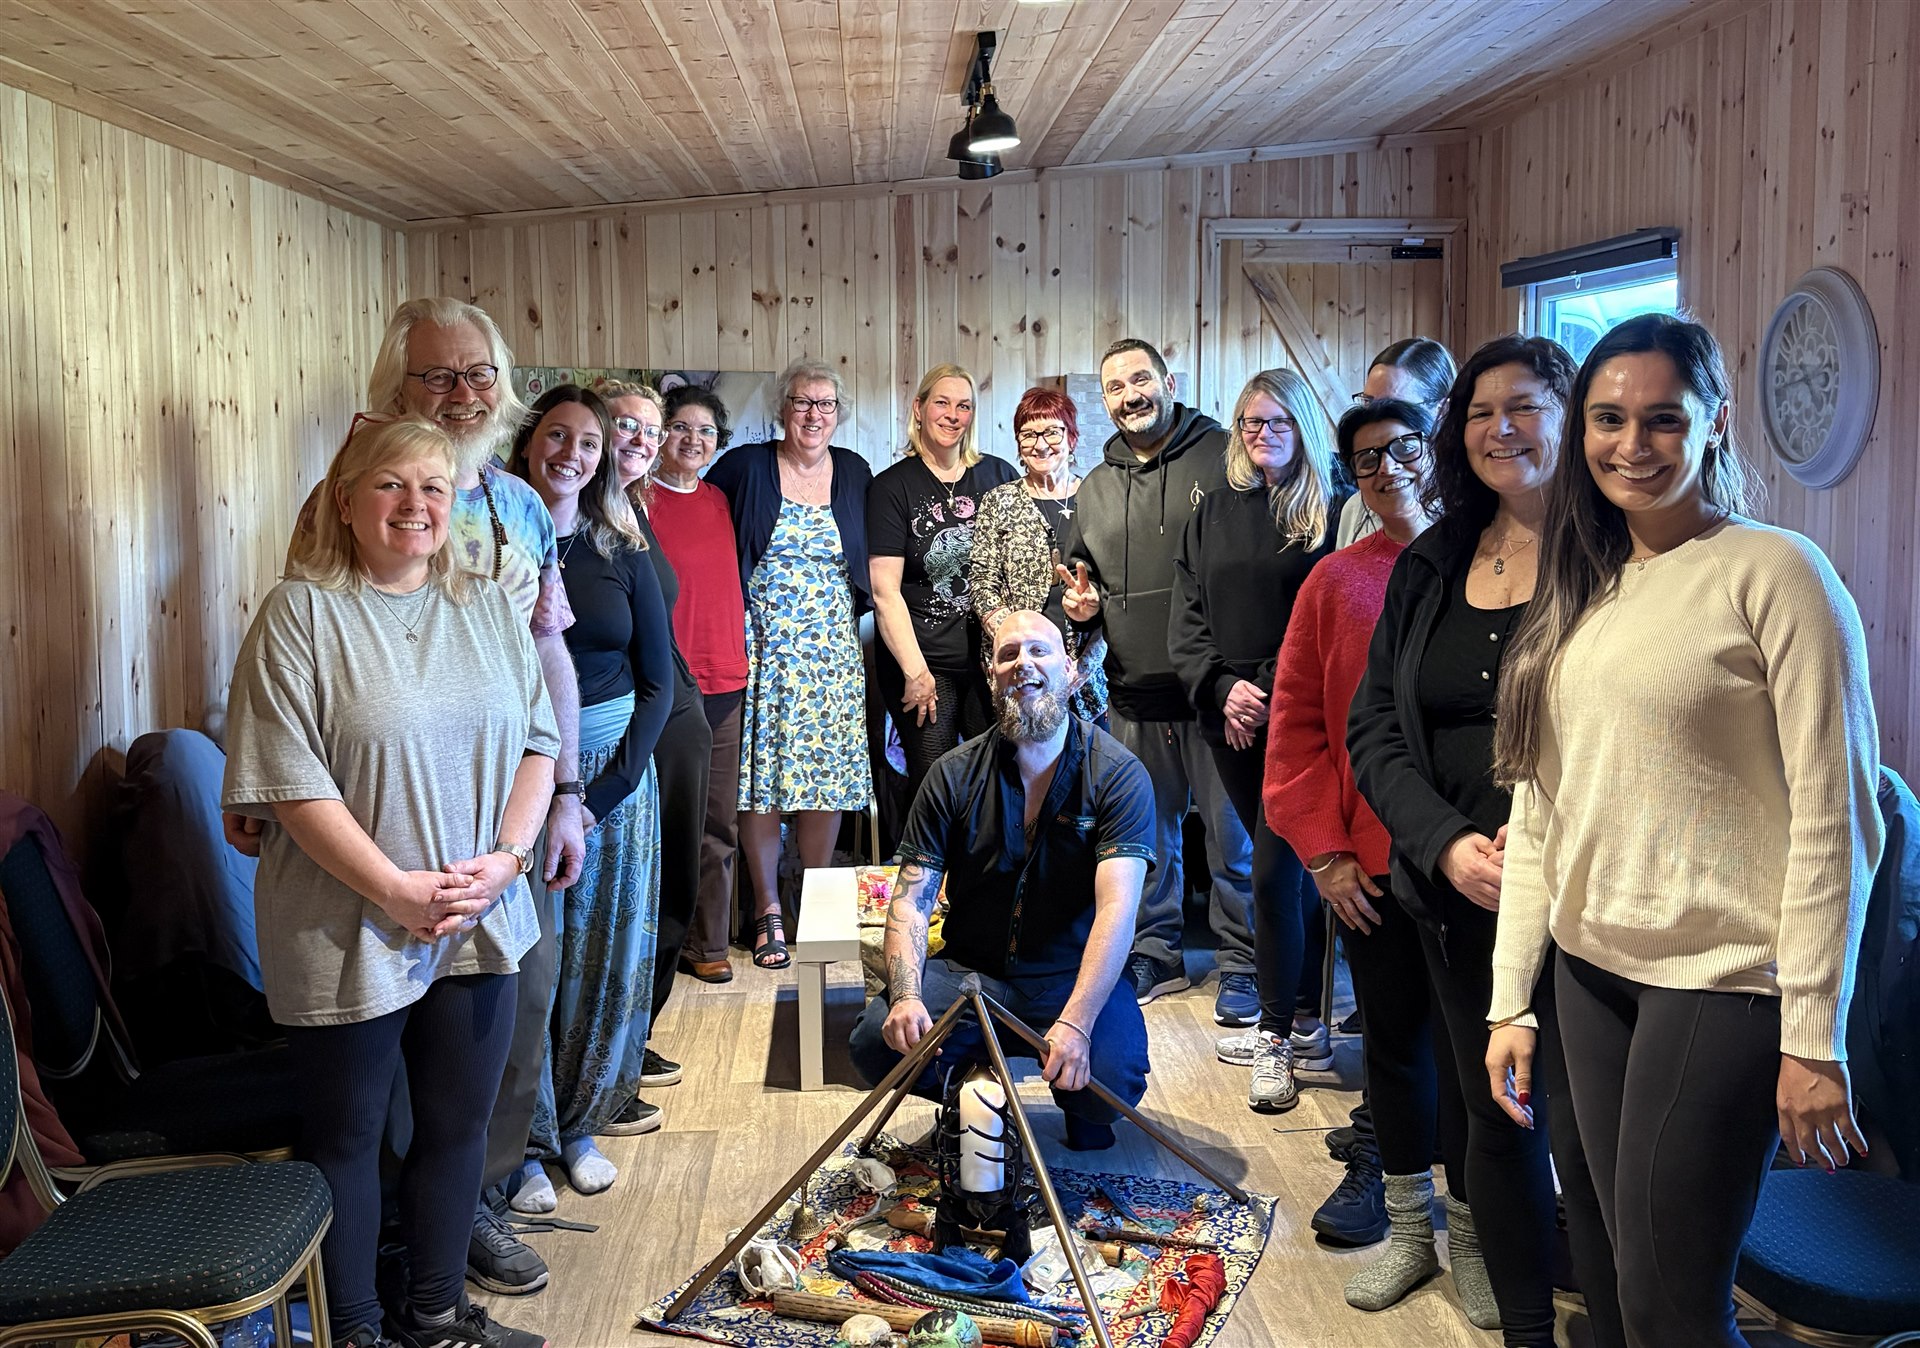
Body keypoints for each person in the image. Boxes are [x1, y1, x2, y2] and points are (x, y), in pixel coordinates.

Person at [1487, 315, 1884, 1348]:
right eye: (1609, 419)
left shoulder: (1777, 572)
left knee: (1674, 1304)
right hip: (1588, 973)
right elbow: (1539, 811)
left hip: (1722, 982)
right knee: (1614, 1286)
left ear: (1710, 425)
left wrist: (1814, 1033)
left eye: (1663, 419)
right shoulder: (1584, 580)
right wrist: (1508, 1001)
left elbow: (1840, 817)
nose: (1633, 444)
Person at [251, 297, 581, 1299]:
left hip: (491, 855)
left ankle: (451, 1257)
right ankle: (371, 1289)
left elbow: (545, 662)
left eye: (477, 374)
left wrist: (551, 808)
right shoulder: (322, 555)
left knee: (480, 1081)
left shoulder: (518, 512)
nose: (460, 393)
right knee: (361, 1118)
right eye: (437, 375)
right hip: (368, 875)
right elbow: (311, 701)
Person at [1347, 335, 1584, 1347]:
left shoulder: (1611, 553)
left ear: (1569, 418)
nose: (1499, 429)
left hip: (1585, 897)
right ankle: (1527, 1325)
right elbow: (1375, 728)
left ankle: (1618, 1311)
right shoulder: (1434, 563)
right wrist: (1442, 842)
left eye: (1522, 406)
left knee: (1588, 1130)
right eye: (1481, 413)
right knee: (1496, 1120)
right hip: (1452, 897)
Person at [1265, 397, 1492, 1315]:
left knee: (1475, 1058)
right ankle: (1411, 1234)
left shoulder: (1494, 564)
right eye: (1365, 459)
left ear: (1433, 453)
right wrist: (1323, 854)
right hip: (1369, 871)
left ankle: (1478, 1238)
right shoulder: (1333, 584)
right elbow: (1299, 726)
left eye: (1402, 450)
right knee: (1393, 1051)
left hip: (1477, 865)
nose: (1387, 468)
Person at [848, 611, 1154, 1150]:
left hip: (1069, 976)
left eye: (1039, 651)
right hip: (972, 974)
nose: (1023, 665)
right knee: (877, 1039)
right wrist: (905, 997)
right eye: (1007, 655)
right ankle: (968, 1091)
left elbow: (1116, 912)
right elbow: (912, 903)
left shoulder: (1118, 774)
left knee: (1111, 1080)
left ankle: (1079, 1102)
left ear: (1072, 670)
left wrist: (1079, 1021)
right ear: (991, 677)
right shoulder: (953, 773)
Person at [504, 385, 674, 1209]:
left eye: (589, 443)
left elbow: (660, 685)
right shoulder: (491, 544)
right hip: (516, 782)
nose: (572, 453)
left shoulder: (623, 547)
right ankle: (525, 1144)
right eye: (556, 435)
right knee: (531, 963)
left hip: (613, 781)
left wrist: (603, 794)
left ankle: (579, 1128)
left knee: (600, 967)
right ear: (527, 441)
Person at [1059, 338, 1253, 1014]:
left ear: (1168, 380)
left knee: (1234, 841)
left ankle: (1243, 965)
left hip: (1217, 695)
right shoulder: (1097, 486)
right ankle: (1154, 953)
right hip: (1135, 696)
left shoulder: (1225, 458)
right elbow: (1081, 587)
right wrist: (1079, 612)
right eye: (1114, 387)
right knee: (1149, 840)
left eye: (1140, 379)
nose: (1129, 395)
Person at [1168, 369, 1343, 1097]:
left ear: (1303, 427)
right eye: (1248, 422)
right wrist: (1221, 687)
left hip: (1299, 719)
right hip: (1227, 721)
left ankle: (1276, 1032)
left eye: (1276, 423)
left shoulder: (1331, 512)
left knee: (1276, 871)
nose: (1260, 435)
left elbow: (1325, 620)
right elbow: (1186, 613)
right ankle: (1307, 1018)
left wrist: (1264, 691)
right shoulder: (1214, 508)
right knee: (1291, 876)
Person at [704, 359, 873, 970]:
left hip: (832, 655)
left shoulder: (854, 471)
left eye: (825, 404)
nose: (813, 414)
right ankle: (768, 909)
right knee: (762, 782)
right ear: (782, 410)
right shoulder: (746, 467)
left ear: (839, 413)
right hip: (762, 648)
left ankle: (818, 901)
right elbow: (702, 526)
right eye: (802, 403)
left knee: (824, 781)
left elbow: (872, 561)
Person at [597, 379, 715, 1110]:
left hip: (676, 712)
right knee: (627, 895)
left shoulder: (633, 511)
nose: (639, 439)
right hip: (633, 722)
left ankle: (630, 1035)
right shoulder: (577, 520)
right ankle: (603, 1055)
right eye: (622, 427)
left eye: (649, 428)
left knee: (674, 886)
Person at [869, 363, 1018, 810]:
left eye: (964, 405)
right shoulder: (891, 487)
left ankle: (985, 879)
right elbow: (884, 592)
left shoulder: (997, 476)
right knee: (933, 781)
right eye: (942, 402)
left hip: (989, 661)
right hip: (923, 662)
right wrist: (916, 673)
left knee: (998, 777)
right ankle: (933, 878)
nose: (952, 414)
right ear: (919, 409)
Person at [642, 385, 749, 985]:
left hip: (725, 679)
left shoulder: (723, 501)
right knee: (657, 822)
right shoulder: (637, 501)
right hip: (661, 686)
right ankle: (654, 944)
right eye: (679, 428)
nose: (692, 440)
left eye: (705, 431)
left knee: (717, 820)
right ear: (659, 437)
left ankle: (707, 940)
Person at [969, 387, 1108, 721]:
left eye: (1052, 431)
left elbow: (1116, 589)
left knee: (1087, 765)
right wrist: (1023, 649)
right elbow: (982, 584)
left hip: (1086, 670)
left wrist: (1082, 667)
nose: (1041, 444)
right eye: (1029, 434)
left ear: (1072, 438)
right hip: (1018, 674)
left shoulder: (1099, 498)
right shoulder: (998, 501)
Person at [1340, 338, 1457, 546]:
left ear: (1442, 412)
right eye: (1369, 402)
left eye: (1396, 407)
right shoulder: (1355, 509)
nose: (1377, 416)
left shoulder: (1471, 508)